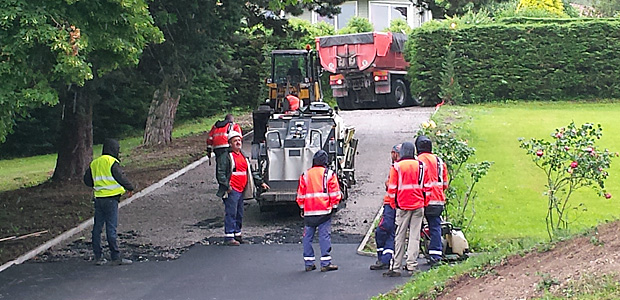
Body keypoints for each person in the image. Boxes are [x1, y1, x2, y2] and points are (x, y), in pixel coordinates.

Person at [83, 138, 135, 266]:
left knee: (97, 228)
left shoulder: (95, 163)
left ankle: (98, 256)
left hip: (99, 199)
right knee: (111, 228)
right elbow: (120, 177)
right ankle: (115, 257)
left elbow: (87, 180)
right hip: (111, 200)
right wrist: (131, 187)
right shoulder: (112, 162)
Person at [216, 131, 269, 246]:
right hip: (232, 189)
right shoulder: (225, 156)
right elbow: (220, 173)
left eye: (239, 140)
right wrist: (227, 186)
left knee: (239, 212)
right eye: (235, 141)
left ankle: (237, 234)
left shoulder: (243, 155)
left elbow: (250, 171)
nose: (238, 142)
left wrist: (260, 182)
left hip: (242, 189)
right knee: (231, 212)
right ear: (230, 143)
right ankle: (229, 237)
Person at [383, 142, 425, 277]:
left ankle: (396, 267)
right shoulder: (421, 165)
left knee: (400, 236)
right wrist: (425, 201)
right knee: (414, 236)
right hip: (418, 205)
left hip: (403, 205)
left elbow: (392, 189)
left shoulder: (397, 167)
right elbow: (426, 186)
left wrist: (393, 204)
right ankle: (412, 265)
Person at [296, 150, 341, 272]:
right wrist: (334, 205)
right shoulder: (329, 174)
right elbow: (335, 193)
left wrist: (302, 207)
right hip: (324, 211)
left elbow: (301, 195)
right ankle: (325, 263)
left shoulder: (306, 175)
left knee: (307, 237)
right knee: (324, 236)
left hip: (309, 212)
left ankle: (308, 263)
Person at [415, 135, 449, 266]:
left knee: (415, 226)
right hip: (438, 200)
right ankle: (436, 254)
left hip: (422, 200)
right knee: (435, 226)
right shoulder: (439, 161)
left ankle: (414, 254)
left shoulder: (417, 160)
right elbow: (444, 183)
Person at [370, 144, 401, 270]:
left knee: (383, 229)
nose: (392, 155)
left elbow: (392, 186)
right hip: (396, 203)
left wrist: (388, 184)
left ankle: (383, 257)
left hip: (393, 203)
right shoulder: (397, 167)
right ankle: (385, 258)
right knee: (390, 232)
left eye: (393, 153)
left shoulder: (397, 167)